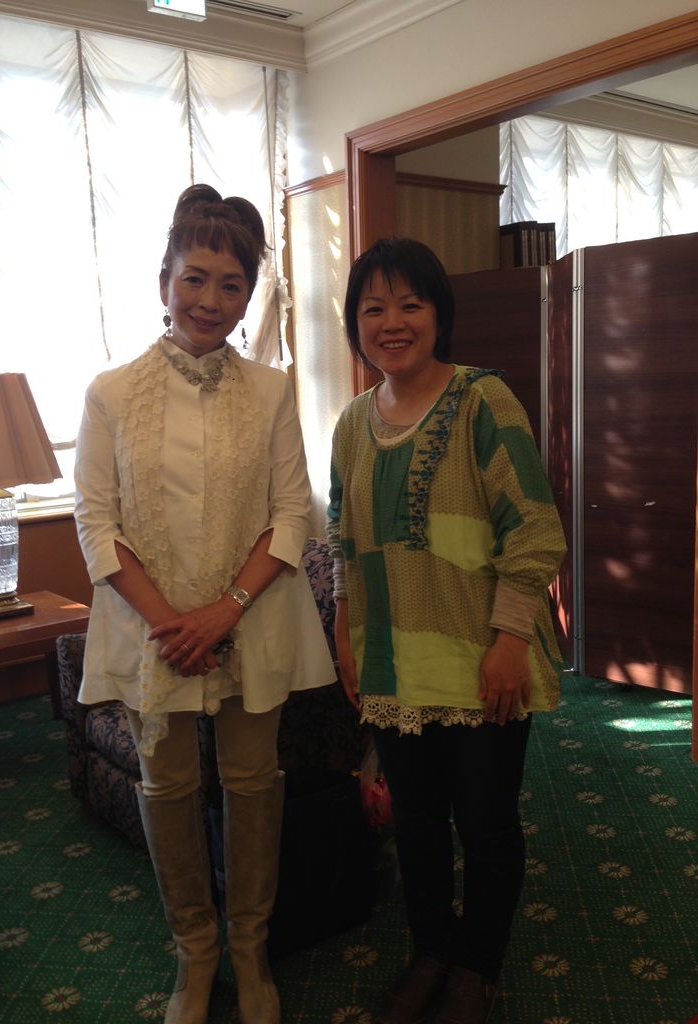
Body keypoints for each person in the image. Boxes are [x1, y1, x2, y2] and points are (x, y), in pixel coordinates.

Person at [74, 183, 335, 1024]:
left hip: (250, 621)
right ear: (164, 281)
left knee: (254, 781)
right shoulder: (111, 393)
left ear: (248, 295)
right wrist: (170, 624)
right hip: (150, 632)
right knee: (168, 786)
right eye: (196, 278)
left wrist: (224, 611)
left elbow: (291, 513)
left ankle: (251, 950)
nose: (211, 300)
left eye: (232, 284)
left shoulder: (272, 390)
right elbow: (96, 521)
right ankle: (197, 951)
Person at [326, 237, 566, 1024]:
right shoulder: (351, 424)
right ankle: (432, 950)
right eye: (373, 308)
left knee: (486, 827)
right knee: (418, 825)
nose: (391, 322)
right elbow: (342, 541)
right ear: (356, 324)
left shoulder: (483, 401)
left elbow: (534, 531)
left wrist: (510, 642)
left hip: (481, 659)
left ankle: (477, 967)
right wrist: (345, 633)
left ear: (439, 315)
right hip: (392, 662)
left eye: (410, 303)